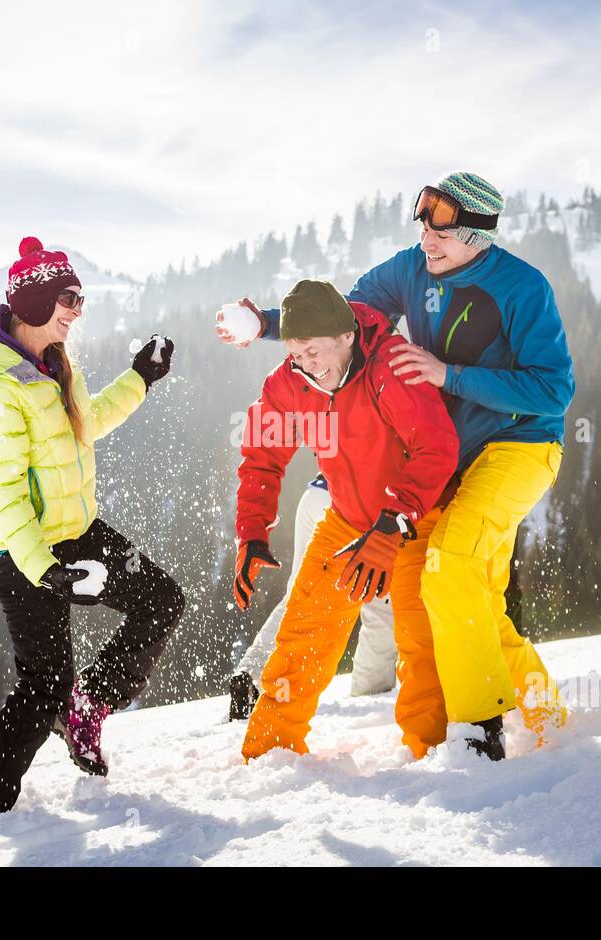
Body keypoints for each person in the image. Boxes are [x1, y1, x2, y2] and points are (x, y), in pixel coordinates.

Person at [218, 172, 574, 759]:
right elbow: (341, 315)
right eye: (423, 230)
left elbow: (554, 390)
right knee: (468, 601)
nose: (426, 245)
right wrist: (268, 325)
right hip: (410, 482)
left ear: (479, 236)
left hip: (513, 443)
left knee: (446, 582)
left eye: (443, 235)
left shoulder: (517, 291)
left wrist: (447, 376)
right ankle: (545, 715)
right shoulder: (402, 278)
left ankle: (465, 736)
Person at [0, 237, 183, 817]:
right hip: (20, 548)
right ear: (32, 303)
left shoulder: (53, 366)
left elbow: (87, 421)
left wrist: (140, 379)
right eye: (67, 298)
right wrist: (44, 569)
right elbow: (2, 499)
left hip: (77, 528)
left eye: (80, 298)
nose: (77, 309)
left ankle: (88, 707)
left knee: (161, 600)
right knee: (44, 680)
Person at [234, 279, 458, 761]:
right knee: (302, 634)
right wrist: (251, 533)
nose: (305, 364)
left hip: (416, 519)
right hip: (348, 520)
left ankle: (437, 753)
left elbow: (436, 449)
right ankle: (270, 755)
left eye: (313, 351)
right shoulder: (290, 383)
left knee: (423, 644)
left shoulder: (393, 367)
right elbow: (261, 455)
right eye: (296, 353)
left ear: (346, 336)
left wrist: (393, 524)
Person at [228, 473, 397, 721]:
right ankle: (370, 695)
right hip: (357, 500)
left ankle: (251, 674)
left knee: (298, 596)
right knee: (380, 603)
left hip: (317, 494)